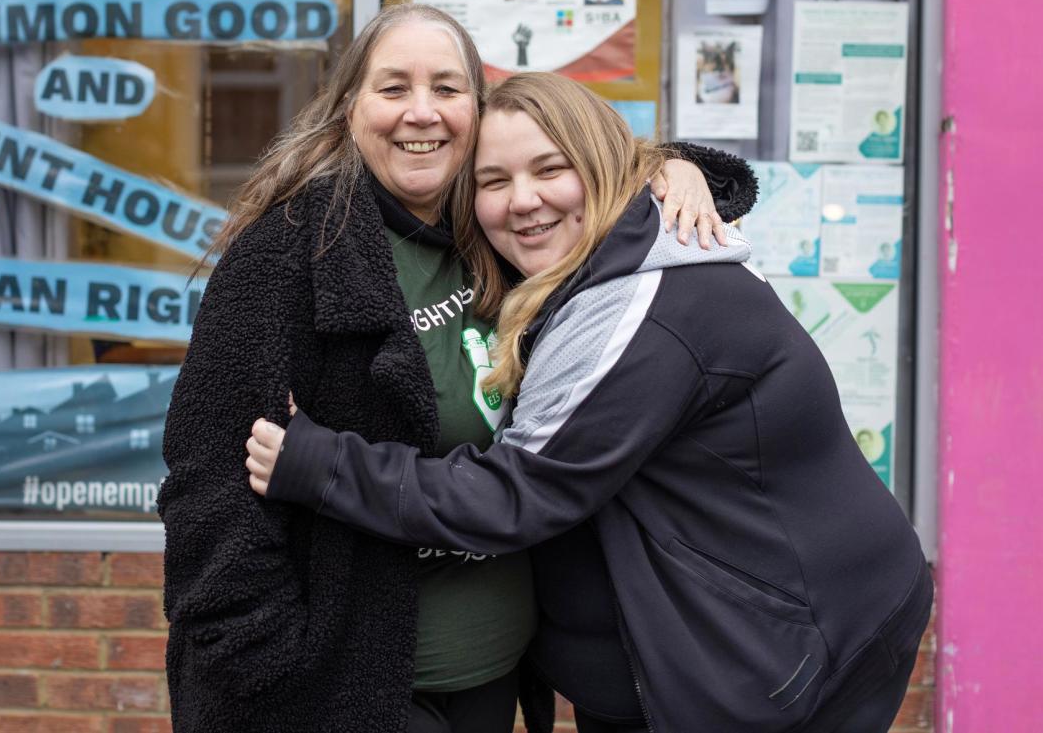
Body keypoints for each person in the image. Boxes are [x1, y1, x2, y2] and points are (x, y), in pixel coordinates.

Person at [247, 73, 932, 733]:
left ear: (605, 168)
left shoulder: (644, 310)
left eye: (550, 169)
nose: (521, 200)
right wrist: (675, 163)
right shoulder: (612, 259)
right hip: (721, 649)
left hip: (787, 656)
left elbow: (512, 494)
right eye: (493, 180)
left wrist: (322, 462)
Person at [159, 3, 758, 733]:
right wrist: (274, 674)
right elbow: (208, 492)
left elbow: (591, 187)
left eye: (446, 88)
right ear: (349, 108)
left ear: (478, 110)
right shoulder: (289, 253)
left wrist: (667, 167)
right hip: (350, 688)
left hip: (494, 669)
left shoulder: (498, 227)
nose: (422, 112)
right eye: (393, 88)